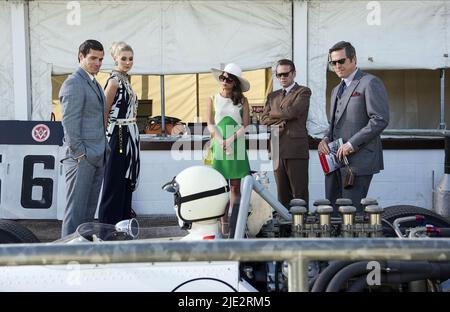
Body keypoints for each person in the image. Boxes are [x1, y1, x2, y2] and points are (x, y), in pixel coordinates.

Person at [318, 41, 389, 213]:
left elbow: (379, 119)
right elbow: (335, 123)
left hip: (359, 161)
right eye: (333, 63)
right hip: (336, 162)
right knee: (332, 213)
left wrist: (351, 144)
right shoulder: (336, 89)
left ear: (354, 59)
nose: (337, 66)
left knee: (351, 215)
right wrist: (326, 138)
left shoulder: (370, 82)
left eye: (341, 61)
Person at [60, 39, 108, 237]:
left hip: (97, 155)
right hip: (82, 158)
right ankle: (66, 257)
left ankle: (83, 254)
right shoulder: (74, 83)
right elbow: (70, 123)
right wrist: (80, 154)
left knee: (88, 214)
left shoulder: (93, 82)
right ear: (81, 56)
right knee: (75, 213)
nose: (97, 63)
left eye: (101, 59)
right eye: (93, 58)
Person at [98, 42, 140, 225]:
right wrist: (104, 137)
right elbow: (104, 111)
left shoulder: (125, 80)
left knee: (126, 179)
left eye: (130, 59)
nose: (128, 62)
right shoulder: (114, 81)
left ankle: (123, 221)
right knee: (114, 179)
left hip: (129, 134)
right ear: (115, 58)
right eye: (124, 58)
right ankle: (108, 223)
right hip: (118, 135)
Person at [260, 59, 311, 209]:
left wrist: (273, 115)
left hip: (295, 149)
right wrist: (279, 120)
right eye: (278, 74)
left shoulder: (303, 91)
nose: (282, 77)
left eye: (285, 74)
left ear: (293, 73)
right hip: (276, 148)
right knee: (282, 195)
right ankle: (285, 228)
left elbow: (292, 112)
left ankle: (300, 229)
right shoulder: (272, 96)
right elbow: (263, 119)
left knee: (299, 194)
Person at [207, 63, 251, 237]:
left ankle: (236, 222)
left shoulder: (243, 101)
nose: (224, 81)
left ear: (235, 83)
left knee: (235, 187)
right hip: (219, 143)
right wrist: (220, 140)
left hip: (237, 143)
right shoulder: (212, 98)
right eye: (222, 77)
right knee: (221, 186)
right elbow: (210, 123)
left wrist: (231, 139)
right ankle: (223, 221)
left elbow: (245, 125)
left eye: (228, 79)